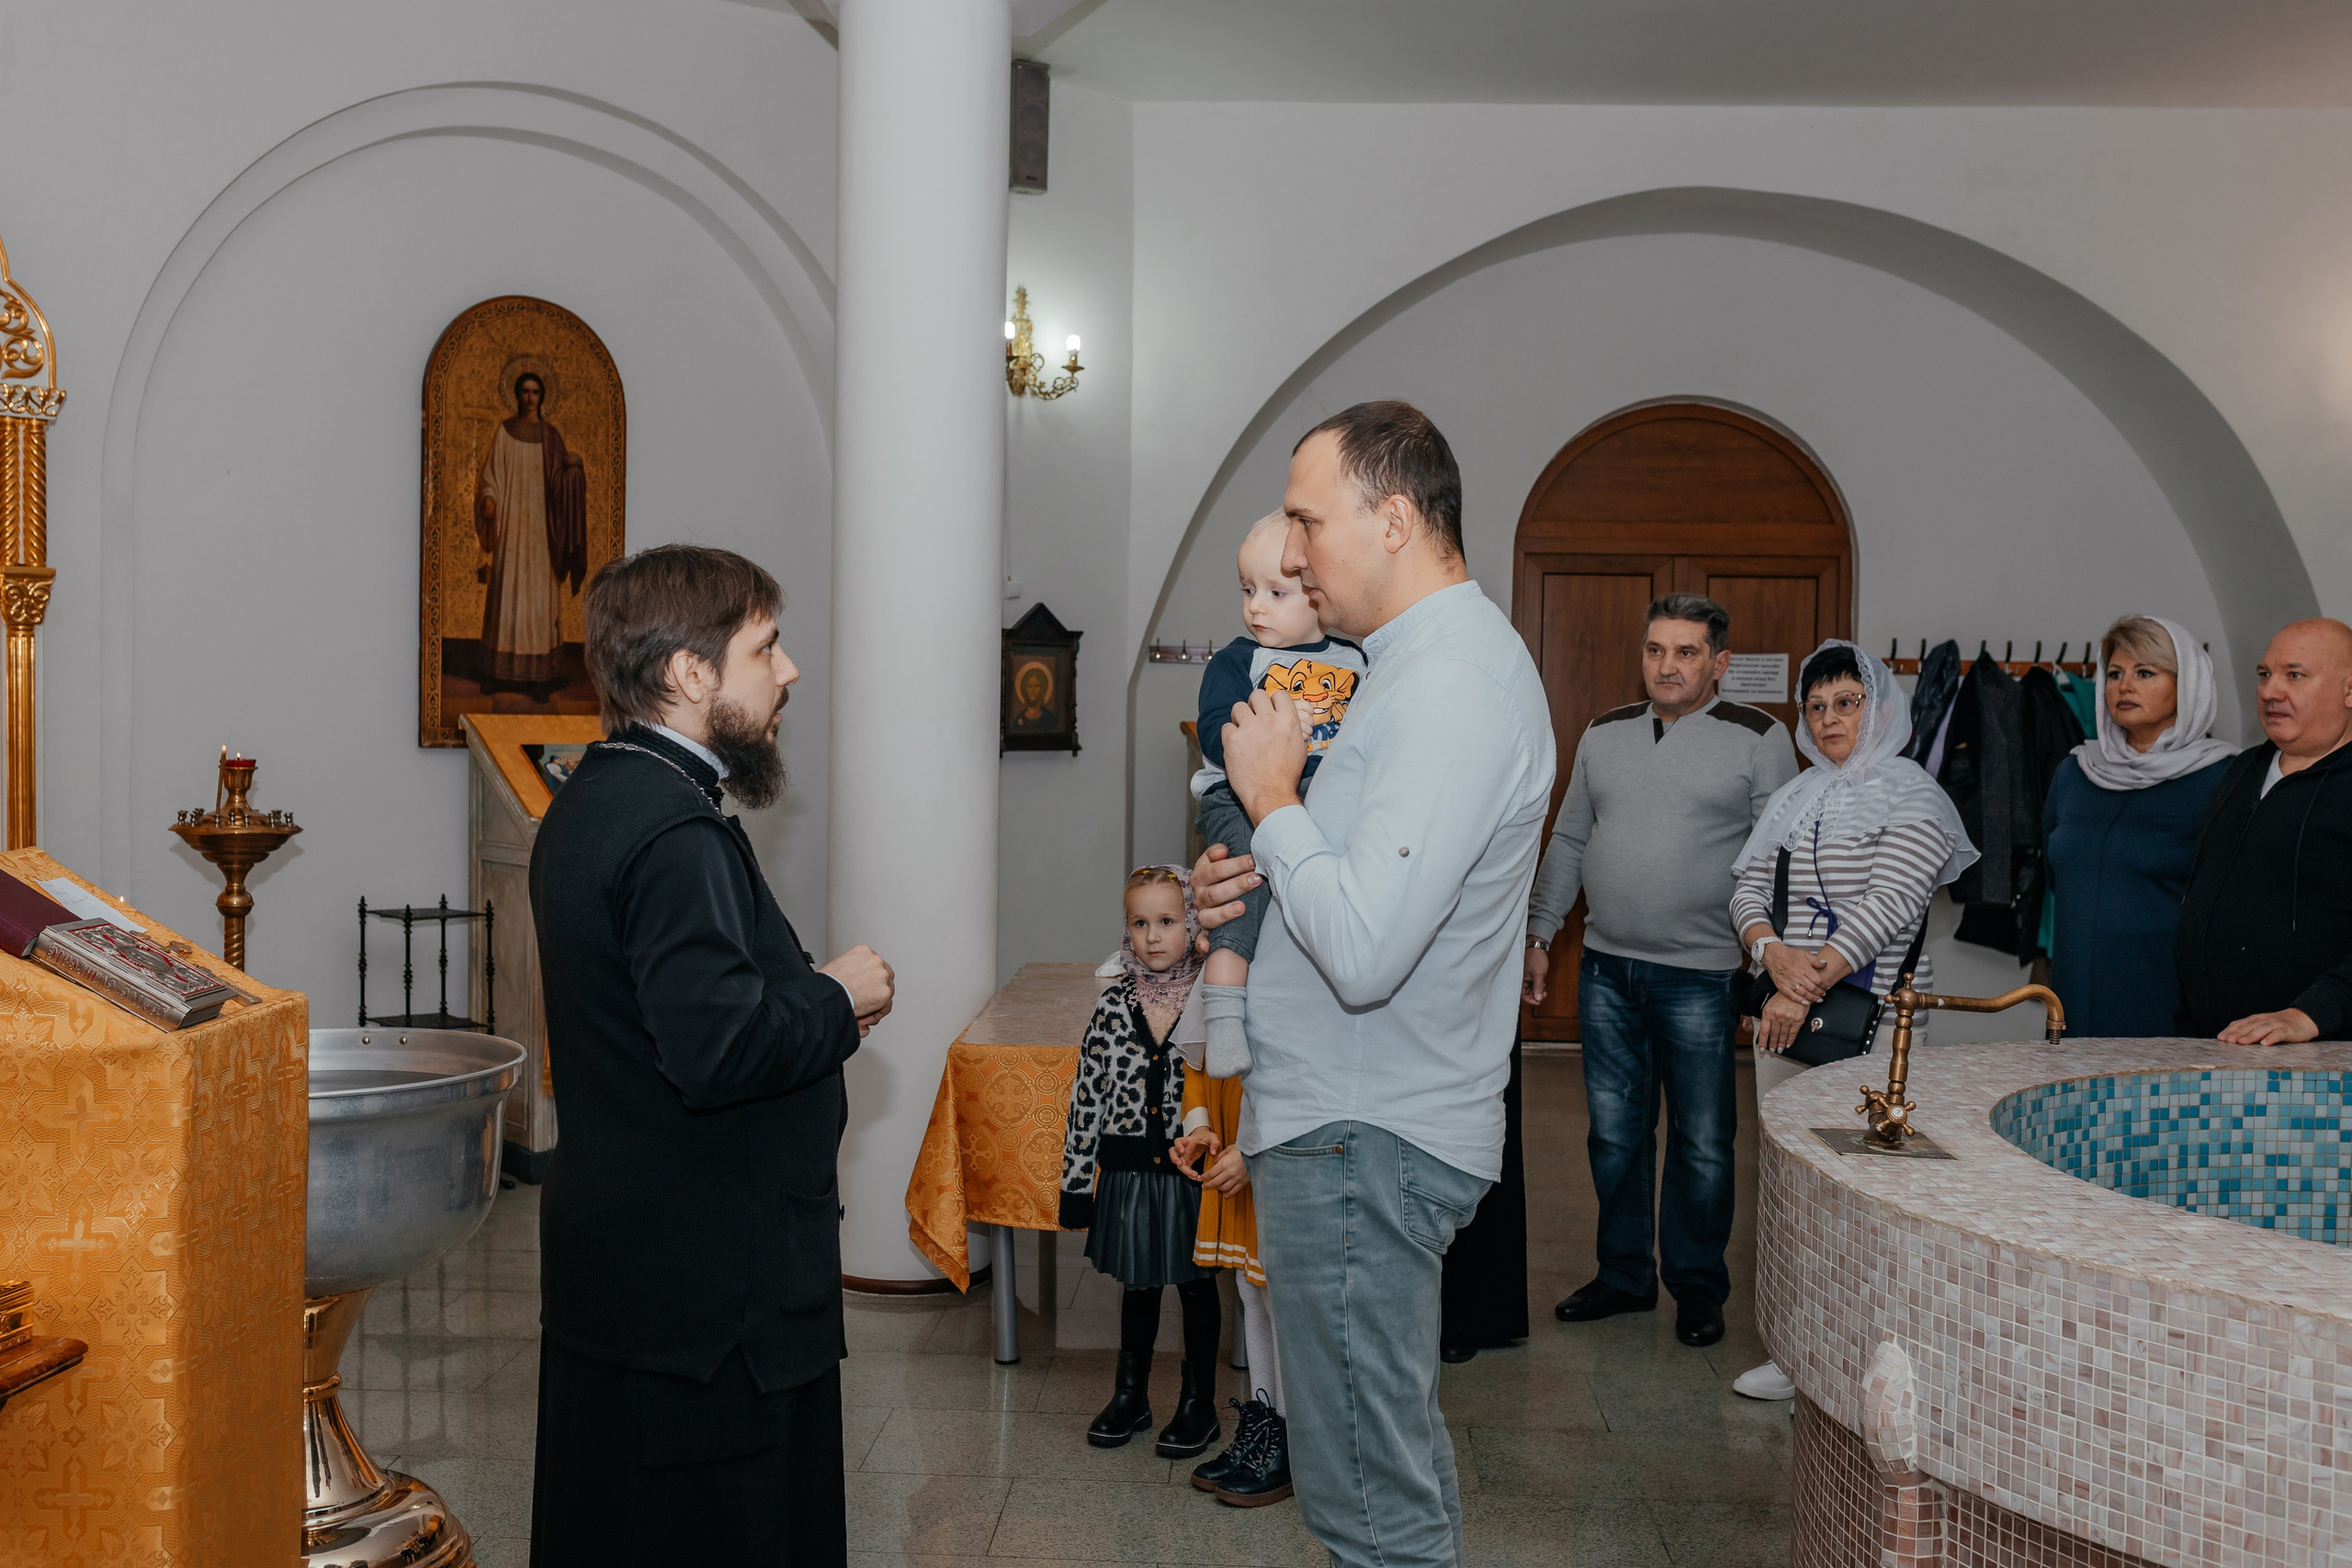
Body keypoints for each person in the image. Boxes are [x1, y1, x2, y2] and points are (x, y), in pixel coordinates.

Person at [1192, 400, 1555, 1568]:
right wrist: (1250, 874)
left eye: (1307, 520)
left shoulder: (1452, 685)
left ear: (1393, 519)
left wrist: (1271, 800)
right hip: (1358, 1120)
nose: (1290, 554)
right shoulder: (1400, 669)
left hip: (1366, 1129)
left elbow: (1364, 948)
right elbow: (1344, 887)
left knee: (1363, 1504)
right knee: (1381, 1463)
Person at [526, 544, 895, 1567]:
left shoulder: (596, 797)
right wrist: (834, 997)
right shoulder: (674, 830)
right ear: (692, 675)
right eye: (764, 648)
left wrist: (789, 997)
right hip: (710, 1308)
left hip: (635, 1271)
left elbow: (663, 1018)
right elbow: (716, 1052)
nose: (785, 674)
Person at [1526, 593, 1797, 1350]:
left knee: (1704, 1142)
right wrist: (1540, 930)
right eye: (1655, 650)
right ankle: (1623, 1275)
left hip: (1702, 975)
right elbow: (1571, 835)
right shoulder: (1604, 732)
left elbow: (1778, 863)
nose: (1667, 665)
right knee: (1614, 1136)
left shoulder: (1759, 737)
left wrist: (1765, 966)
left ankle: (1698, 1287)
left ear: (1719, 662)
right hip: (1608, 969)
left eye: (1684, 652)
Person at [1726, 639, 1975, 1403]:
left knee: (1864, 1187)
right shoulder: (1794, 797)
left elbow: (1890, 908)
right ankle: (1797, 1350)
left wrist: (1801, 985)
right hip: (1786, 1007)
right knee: (1796, 1184)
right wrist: (1770, 954)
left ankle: (1864, 1356)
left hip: (1877, 1020)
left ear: (1880, 706)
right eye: (1817, 705)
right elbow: (1743, 889)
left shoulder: (1915, 796)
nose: (1830, 717)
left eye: (1847, 701)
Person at [1189, 512, 1365, 1076]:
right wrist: (1276, 720)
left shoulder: (1356, 659)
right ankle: (1221, 1015)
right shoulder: (1238, 661)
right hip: (1240, 796)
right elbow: (1217, 738)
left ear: (1314, 592)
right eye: (1247, 590)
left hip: (1317, 794)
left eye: (1275, 592)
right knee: (1246, 886)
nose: (1255, 607)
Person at [1057, 866, 1224, 1459]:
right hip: (1129, 1170)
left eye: (1168, 921)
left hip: (1189, 1170)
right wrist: (1077, 1183)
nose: (1154, 936)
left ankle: (1199, 1401)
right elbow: (1086, 1097)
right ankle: (1130, 1394)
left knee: (1198, 1285)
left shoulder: (1213, 996)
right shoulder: (1111, 1006)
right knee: (1140, 1283)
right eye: (1140, 923)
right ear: (1126, 930)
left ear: (1192, 923)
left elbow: (1233, 1082)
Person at [2041, 615, 2237, 1035]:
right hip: (2071, 998)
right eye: (2114, 674)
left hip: (2170, 1005)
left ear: (2187, 686)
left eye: (2145, 672)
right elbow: (2058, 877)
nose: (2123, 686)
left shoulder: (2225, 779)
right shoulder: (2076, 772)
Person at [2175, 617, 2352, 1043]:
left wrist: (2309, 1015)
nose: (2271, 690)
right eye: (2264, 675)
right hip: (2212, 1044)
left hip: (2315, 1058)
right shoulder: (2242, 769)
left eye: (2294, 675)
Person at [1168, 1057, 1291, 1506]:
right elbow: (1199, 1051)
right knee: (1250, 1286)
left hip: (1280, 1134)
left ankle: (1292, 1442)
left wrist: (1255, 1147)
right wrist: (1200, 1124)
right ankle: (1264, 1426)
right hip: (1234, 1129)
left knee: (1279, 1292)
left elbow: (1300, 1059)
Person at [476, 371, 587, 689]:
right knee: (506, 591)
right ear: (516, 395)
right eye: (524, 391)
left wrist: (573, 468)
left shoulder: (551, 436)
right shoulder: (504, 433)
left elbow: (561, 482)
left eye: (535, 392)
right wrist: (489, 498)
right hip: (511, 528)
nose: (529, 397)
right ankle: (498, 672)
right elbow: (491, 476)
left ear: (541, 396)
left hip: (542, 531)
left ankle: (541, 676)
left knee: (538, 596)